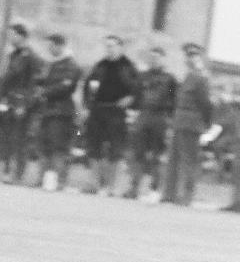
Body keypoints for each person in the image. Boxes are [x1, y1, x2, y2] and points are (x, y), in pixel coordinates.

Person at [0, 23, 40, 184]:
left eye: (13, 35)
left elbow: (34, 84)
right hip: (6, 102)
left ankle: (16, 175)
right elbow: (6, 79)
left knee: (18, 140)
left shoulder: (31, 57)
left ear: (21, 36)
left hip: (20, 104)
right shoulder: (13, 55)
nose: (10, 38)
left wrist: (25, 104)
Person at [81, 34, 138, 196]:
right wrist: (86, 106)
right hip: (97, 110)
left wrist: (131, 99)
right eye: (107, 46)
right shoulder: (100, 65)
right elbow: (88, 86)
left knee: (115, 149)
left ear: (120, 47)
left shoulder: (128, 67)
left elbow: (137, 90)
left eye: (112, 46)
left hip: (117, 112)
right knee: (94, 147)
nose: (109, 49)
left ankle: (112, 186)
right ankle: (94, 183)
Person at [160, 43, 213, 207]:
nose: (190, 59)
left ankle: (186, 195)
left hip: (191, 123)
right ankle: (169, 194)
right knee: (173, 159)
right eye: (188, 56)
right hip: (180, 121)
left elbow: (205, 104)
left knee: (188, 160)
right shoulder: (188, 76)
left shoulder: (201, 78)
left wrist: (206, 123)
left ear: (200, 58)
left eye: (193, 55)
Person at [123, 46, 177, 199]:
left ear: (163, 59)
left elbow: (174, 100)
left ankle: (154, 189)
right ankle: (134, 187)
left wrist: (170, 120)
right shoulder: (142, 77)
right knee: (137, 153)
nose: (154, 60)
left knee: (156, 155)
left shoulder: (170, 79)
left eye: (157, 57)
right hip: (143, 115)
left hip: (160, 117)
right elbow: (136, 96)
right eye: (152, 57)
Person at [34, 33, 83, 192]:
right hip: (47, 110)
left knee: (59, 146)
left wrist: (44, 92)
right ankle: (43, 178)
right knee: (44, 144)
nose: (49, 49)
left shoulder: (71, 65)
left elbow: (65, 86)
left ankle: (59, 180)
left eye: (51, 46)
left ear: (59, 45)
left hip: (62, 112)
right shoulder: (51, 64)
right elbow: (42, 80)